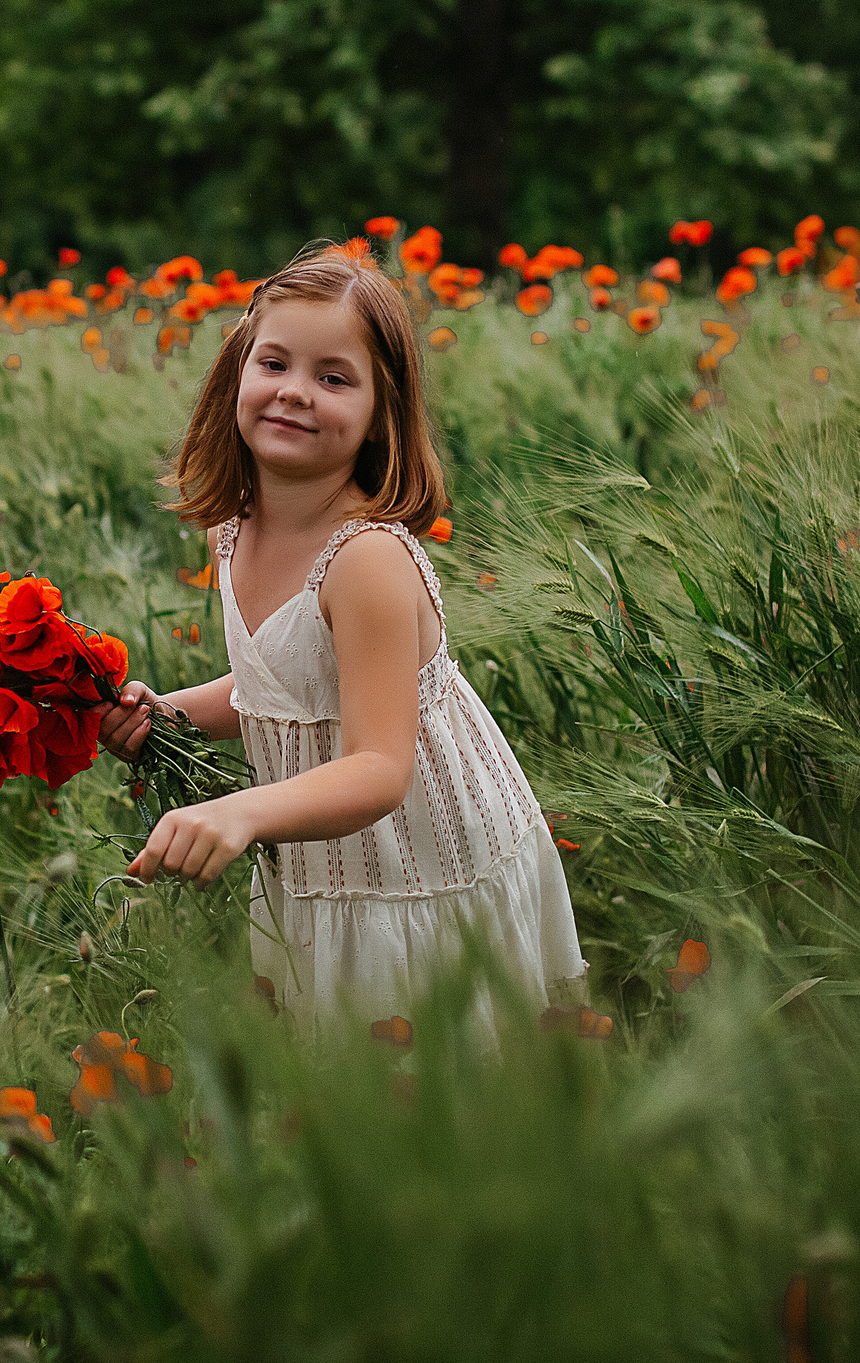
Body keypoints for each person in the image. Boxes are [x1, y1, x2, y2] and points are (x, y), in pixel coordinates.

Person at [96, 243, 585, 1038]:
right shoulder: (237, 524)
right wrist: (171, 714)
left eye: (333, 377)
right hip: (324, 862)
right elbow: (284, 685)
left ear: (380, 412)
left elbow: (379, 767)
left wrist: (241, 812)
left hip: (417, 871)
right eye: (275, 363)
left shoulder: (365, 561)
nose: (294, 392)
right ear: (236, 376)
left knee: (434, 1081)